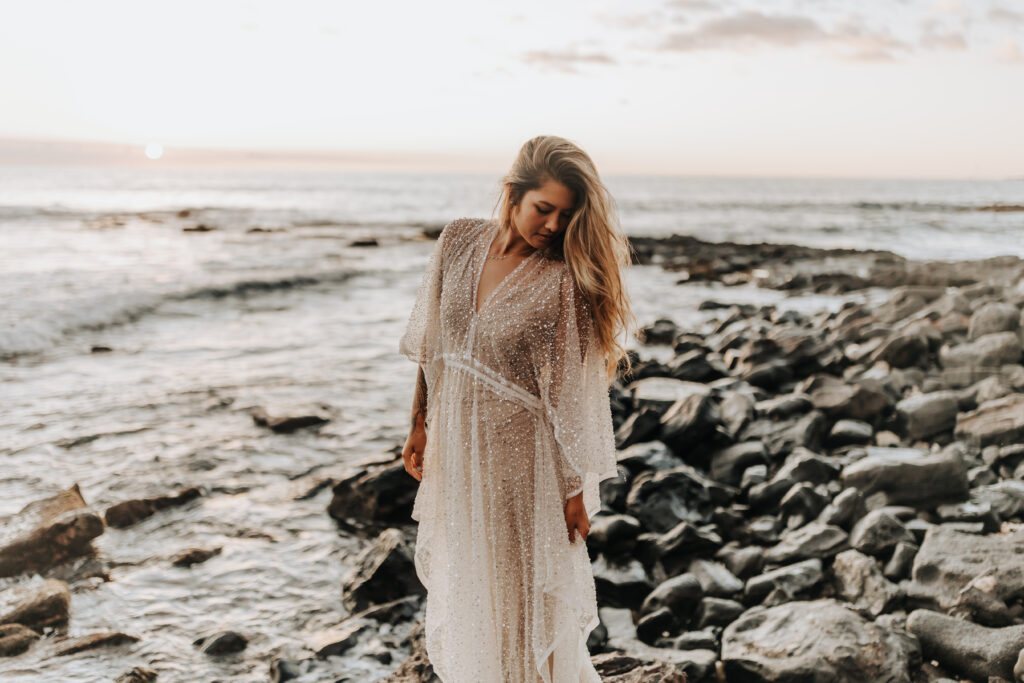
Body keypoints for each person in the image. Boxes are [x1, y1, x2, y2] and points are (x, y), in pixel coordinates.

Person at [399, 135, 635, 682]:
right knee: (474, 582)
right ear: (512, 195)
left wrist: (574, 489)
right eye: (543, 208)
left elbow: (569, 400)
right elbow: (432, 346)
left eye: (565, 215)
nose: (552, 226)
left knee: (523, 593)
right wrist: (418, 424)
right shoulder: (458, 241)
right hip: (459, 448)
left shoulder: (563, 281)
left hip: (521, 461)